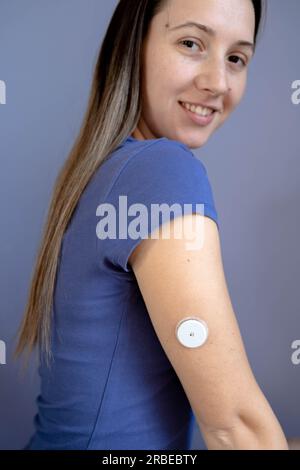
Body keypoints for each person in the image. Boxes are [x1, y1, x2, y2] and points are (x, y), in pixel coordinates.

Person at [15, 0, 290, 450]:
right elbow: (236, 432)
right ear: (133, 45)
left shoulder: (102, 172)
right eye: (190, 43)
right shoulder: (161, 170)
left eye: (236, 58)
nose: (218, 82)